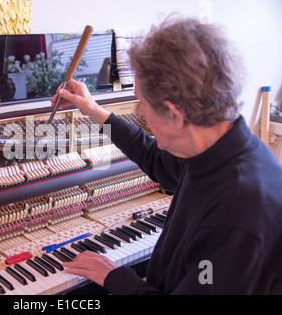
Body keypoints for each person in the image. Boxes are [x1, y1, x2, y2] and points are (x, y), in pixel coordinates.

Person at [51, 17, 282, 294]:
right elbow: (157, 161)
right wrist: (94, 111)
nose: (140, 114)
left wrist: (115, 278)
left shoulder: (237, 215)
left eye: (144, 104)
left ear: (174, 114)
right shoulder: (217, 149)